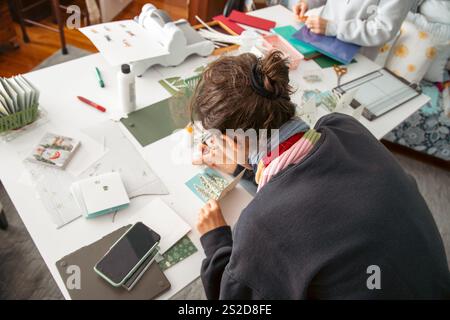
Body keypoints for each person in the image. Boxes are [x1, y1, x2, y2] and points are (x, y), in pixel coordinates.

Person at [190, 50, 450, 299]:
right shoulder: (346, 127)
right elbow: (310, 184)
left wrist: (216, 240)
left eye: (217, 141)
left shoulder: (260, 226)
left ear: (232, 143)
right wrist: (242, 168)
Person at [291, 0, 413, 59]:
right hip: (318, 39)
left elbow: (382, 29)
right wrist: (308, 2)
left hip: (354, 55)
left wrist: (333, 28)